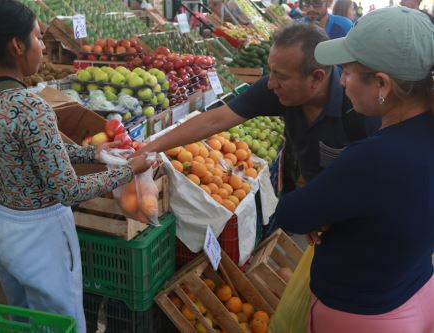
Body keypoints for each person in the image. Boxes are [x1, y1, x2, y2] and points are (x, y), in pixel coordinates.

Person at [0, 1, 152, 332]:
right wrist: (128, 170)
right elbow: (67, 190)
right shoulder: (31, 107)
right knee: (62, 320)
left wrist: (93, 154)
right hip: (38, 235)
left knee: (24, 318)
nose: (44, 47)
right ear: (17, 45)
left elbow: (23, 149)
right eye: (38, 37)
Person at [273, 7, 434, 332]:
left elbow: (290, 214)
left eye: (347, 71)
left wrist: (328, 210)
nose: (341, 81)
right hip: (416, 288)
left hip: (362, 315)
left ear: (382, 85)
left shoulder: (375, 157)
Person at [136, 23, 378, 192]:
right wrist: (149, 150)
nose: (270, 83)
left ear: (315, 78)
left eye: (280, 76)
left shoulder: (360, 109)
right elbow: (214, 120)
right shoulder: (278, 89)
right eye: (270, 71)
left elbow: (377, 179)